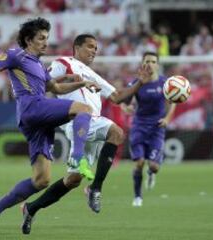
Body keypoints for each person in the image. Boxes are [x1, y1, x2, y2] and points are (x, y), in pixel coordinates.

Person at [0, 17, 100, 239]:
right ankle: (78, 158)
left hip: (37, 120)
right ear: (29, 40)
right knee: (84, 109)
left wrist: (81, 83)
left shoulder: (39, 66)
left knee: (41, 179)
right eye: (41, 38)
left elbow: (56, 87)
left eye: (47, 38)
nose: (45, 42)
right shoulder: (16, 55)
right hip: (33, 107)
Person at [20, 34, 151, 235]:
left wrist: (139, 83)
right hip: (77, 120)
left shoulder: (93, 74)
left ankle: (31, 208)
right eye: (90, 46)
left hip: (91, 124)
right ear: (77, 47)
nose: (94, 51)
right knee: (117, 133)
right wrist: (71, 80)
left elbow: (116, 97)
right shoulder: (63, 62)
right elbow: (45, 83)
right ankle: (95, 189)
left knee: (73, 180)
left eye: (96, 48)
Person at [121, 51, 176, 207]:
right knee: (138, 163)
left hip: (157, 129)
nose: (150, 64)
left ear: (157, 65)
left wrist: (167, 119)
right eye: (147, 61)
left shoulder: (165, 83)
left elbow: (173, 103)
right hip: (139, 126)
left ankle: (151, 173)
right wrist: (127, 108)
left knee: (154, 166)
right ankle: (138, 196)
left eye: (153, 61)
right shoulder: (137, 83)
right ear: (142, 64)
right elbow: (125, 101)